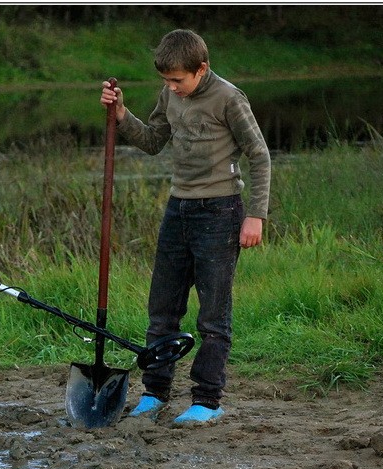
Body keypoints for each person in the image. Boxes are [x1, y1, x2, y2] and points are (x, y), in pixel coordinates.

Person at [100, 29, 271, 425]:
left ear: (201, 69)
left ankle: (207, 401)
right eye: (166, 81)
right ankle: (155, 393)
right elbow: (153, 140)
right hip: (178, 209)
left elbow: (259, 156)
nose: (172, 88)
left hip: (222, 211)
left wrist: (256, 215)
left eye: (178, 80)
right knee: (162, 310)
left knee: (213, 315)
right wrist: (122, 114)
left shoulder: (229, 98)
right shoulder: (169, 96)